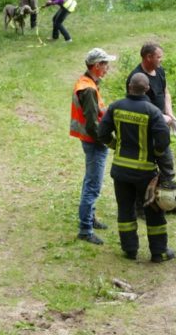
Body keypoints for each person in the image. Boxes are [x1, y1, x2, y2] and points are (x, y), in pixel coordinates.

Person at [98, 73, 174, 262]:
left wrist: (115, 145)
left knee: (125, 209)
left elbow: (102, 132)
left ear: (129, 86)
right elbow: (164, 139)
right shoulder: (152, 111)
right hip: (145, 173)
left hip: (121, 171)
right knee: (154, 212)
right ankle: (159, 252)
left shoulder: (116, 107)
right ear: (147, 89)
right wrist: (155, 154)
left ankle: (130, 249)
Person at [125, 42, 176, 216]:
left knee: (167, 166)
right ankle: (141, 207)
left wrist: (169, 113)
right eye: (158, 57)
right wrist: (163, 118)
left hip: (161, 129)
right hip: (145, 131)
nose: (161, 60)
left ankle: (171, 202)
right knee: (145, 170)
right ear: (148, 57)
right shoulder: (137, 78)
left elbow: (165, 92)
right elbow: (140, 107)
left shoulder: (159, 71)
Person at [70, 48, 117, 245]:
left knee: (90, 181)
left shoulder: (88, 83)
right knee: (93, 186)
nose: (108, 68)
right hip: (94, 142)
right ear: (96, 66)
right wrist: (111, 142)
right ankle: (85, 229)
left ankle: (91, 218)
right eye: (105, 64)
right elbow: (92, 124)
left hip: (92, 141)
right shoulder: (88, 88)